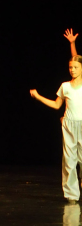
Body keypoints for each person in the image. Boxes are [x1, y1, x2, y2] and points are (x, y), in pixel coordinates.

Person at [30, 54, 82, 204]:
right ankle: (72, 195)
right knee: (69, 160)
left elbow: (76, 55)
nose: (72, 70)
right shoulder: (65, 86)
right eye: (70, 67)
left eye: (76, 67)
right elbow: (56, 104)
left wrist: (73, 44)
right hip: (69, 125)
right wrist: (38, 97)